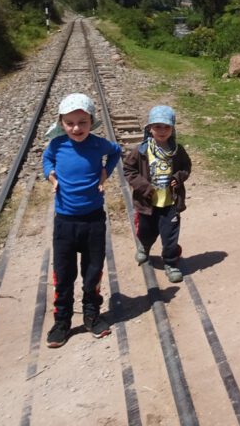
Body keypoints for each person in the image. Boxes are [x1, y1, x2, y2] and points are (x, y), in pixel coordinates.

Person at [42, 93, 122, 348]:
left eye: (82, 122)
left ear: (91, 121)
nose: (76, 128)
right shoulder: (57, 145)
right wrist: (51, 176)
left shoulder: (99, 145)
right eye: (70, 123)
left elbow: (116, 152)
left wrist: (104, 173)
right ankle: (62, 320)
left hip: (93, 220)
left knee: (92, 270)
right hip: (65, 221)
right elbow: (46, 160)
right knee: (64, 273)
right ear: (62, 123)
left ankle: (91, 314)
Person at [123, 105, 192, 283]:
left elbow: (186, 167)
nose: (162, 131)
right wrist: (144, 187)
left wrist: (178, 177)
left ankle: (170, 263)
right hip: (148, 203)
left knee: (170, 235)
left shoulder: (177, 150)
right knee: (146, 231)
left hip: (170, 203)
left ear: (172, 129)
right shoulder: (141, 151)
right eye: (157, 126)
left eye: (166, 127)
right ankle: (144, 247)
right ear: (149, 128)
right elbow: (129, 170)